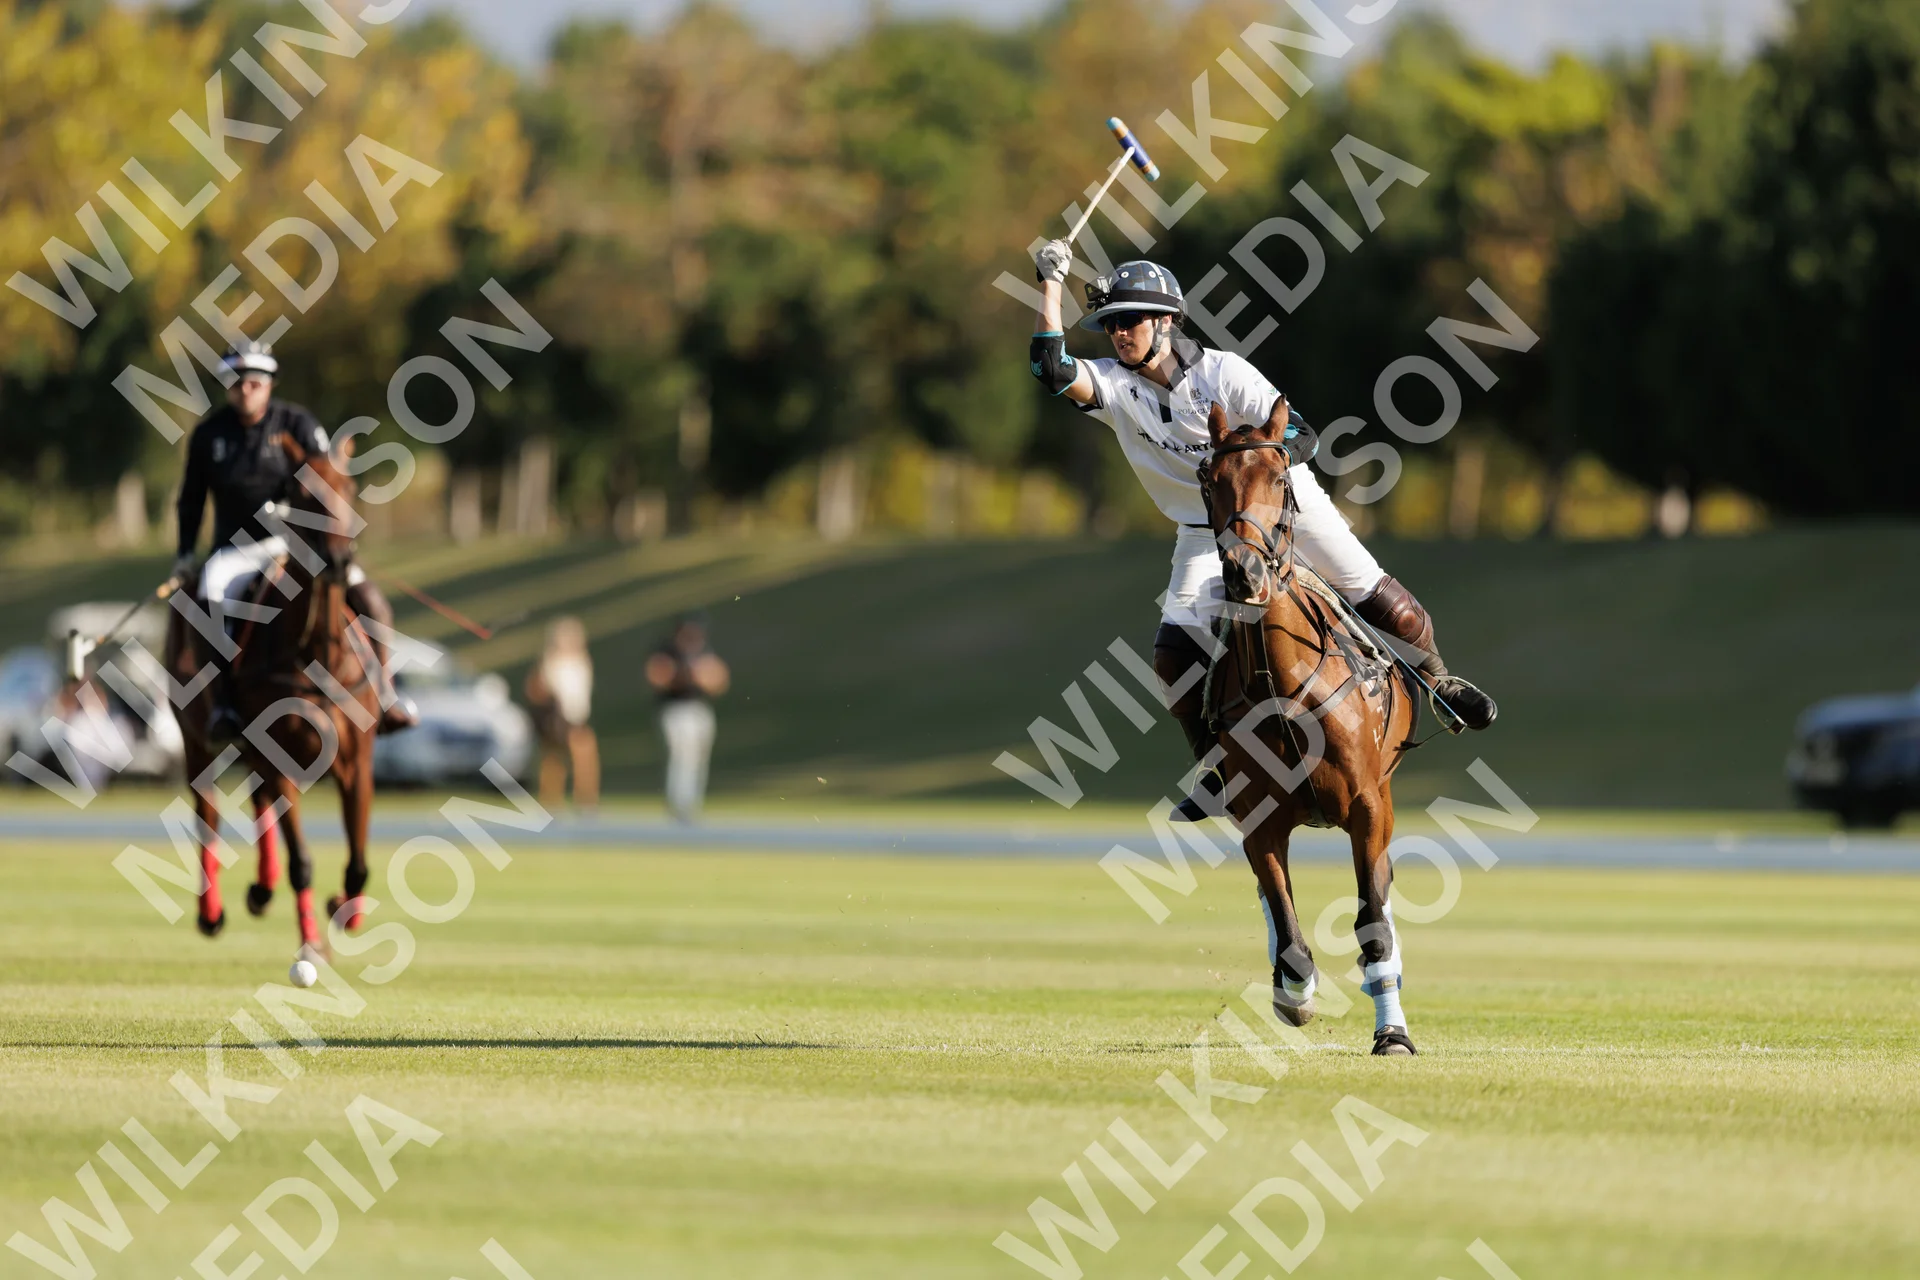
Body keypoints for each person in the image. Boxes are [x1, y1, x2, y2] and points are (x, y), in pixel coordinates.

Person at [1027, 244, 1496, 821]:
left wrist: (1256, 466)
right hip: (1204, 531)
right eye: (1111, 324)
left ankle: (1440, 683)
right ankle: (1219, 768)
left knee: (1377, 596)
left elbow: (1302, 434)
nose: (1119, 333)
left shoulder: (1223, 372)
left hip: (1286, 504)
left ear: (1166, 321)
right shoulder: (1113, 385)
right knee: (1173, 656)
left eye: (1131, 320)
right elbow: (1050, 368)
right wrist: (1050, 282)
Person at [173, 340, 416, 743]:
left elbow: (326, 478)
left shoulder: (298, 423)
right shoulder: (208, 434)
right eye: (236, 382)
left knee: (370, 599)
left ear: (269, 384)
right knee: (209, 594)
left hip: (300, 546)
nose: (245, 389)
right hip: (237, 550)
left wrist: (315, 524)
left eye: (254, 382)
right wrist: (184, 554)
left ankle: (386, 694)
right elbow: (191, 499)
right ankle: (224, 703)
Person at [645, 615, 730, 822]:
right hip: (675, 708)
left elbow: (719, 680)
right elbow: (656, 677)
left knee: (699, 757)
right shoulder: (668, 651)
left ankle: (693, 802)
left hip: (698, 707)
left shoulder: (704, 652)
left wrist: (703, 677)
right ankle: (678, 802)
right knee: (681, 755)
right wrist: (682, 675)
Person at [525, 616, 600, 813]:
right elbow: (540, 691)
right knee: (553, 761)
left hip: (576, 718)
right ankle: (551, 801)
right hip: (555, 718)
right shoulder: (551, 662)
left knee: (584, 760)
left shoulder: (581, 661)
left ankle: (585, 801)